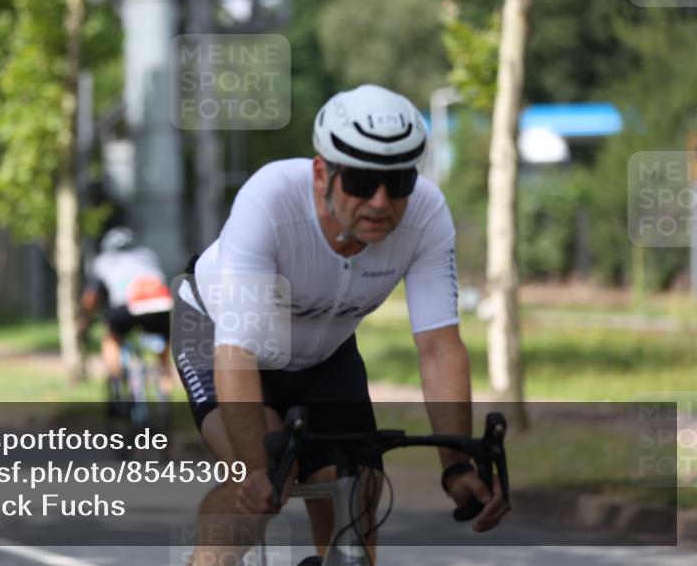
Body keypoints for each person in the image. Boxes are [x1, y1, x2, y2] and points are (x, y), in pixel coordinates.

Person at [172, 85, 509, 565]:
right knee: (270, 475)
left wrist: (456, 466)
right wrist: (252, 468)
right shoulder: (269, 199)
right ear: (321, 173)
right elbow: (237, 350)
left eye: (397, 184)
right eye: (360, 181)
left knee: (358, 489)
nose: (379, 201)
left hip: (324, 353)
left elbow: (439, 347)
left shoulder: (428, 215)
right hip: (218, 335)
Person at [80, 227, 175, 398]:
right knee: (162, 356)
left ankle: (116, 384)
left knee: (111, 340)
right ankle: (166, 399)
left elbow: (91, 298)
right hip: (158, 305)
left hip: (124, 306)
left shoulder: (103, 261)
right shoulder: (148, 255)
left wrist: (85, 316)